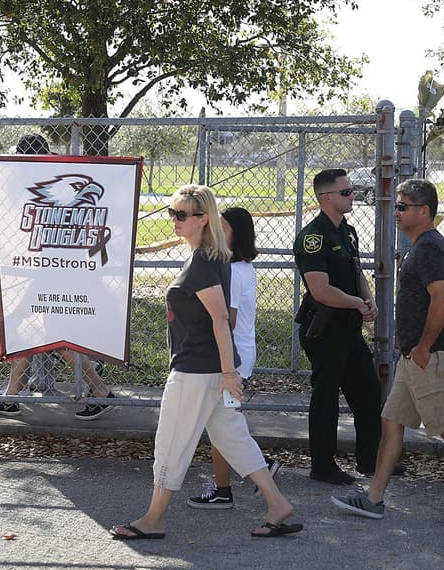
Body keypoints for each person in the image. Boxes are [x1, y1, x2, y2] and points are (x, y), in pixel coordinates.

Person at [110, 186, 301, 540]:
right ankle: (278, 505)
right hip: (210, 371)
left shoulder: (204, 262)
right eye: (172, 213)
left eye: (181, 215)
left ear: (202, 219)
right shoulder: (211, 256)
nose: (174, 221)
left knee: (170, 443)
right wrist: (228, 374)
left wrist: (230, 375)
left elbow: (219, 320)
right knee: (231, 436)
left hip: (197, 371)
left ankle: (153, 520)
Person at [330, 180, 444, 526]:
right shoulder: (425, 246)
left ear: (424, 211)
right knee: (391, 421)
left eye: (403, 207)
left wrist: (425, 347)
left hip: (428, 358)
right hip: (416, 358)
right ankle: (374, 497)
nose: (396, 212)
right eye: (396, 206)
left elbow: (443, 299)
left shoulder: (428, 249)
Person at [0, 133, 116, 420]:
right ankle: (12, 396)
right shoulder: (31, 184)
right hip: (45, 272)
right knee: (26, 332)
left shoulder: (52, 181)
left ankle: (100, 390)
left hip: (57, 275)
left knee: (56, 339)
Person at [187, 207, 282, 509]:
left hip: (232, 361)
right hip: (234, 358)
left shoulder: (233, 271)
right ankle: (233, 482)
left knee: (224, 425)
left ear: (236, 235)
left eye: (223, 228)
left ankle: (233, 483)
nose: (216, 232)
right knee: (223, 423)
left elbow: (226, 319)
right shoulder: (232, 267)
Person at [293, 168, 383, 485]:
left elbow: (356, 272)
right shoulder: (313, 237)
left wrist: (368, 300)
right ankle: (322, 465)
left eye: (352, 191)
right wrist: (357, 303)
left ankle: (371, 462)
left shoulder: (348, 231)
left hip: (349, 328)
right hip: (324, 330)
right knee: (327, 398)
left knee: (369, 392)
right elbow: (320, 290)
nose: (352, 196)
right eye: (346, 192)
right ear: (326, 197)